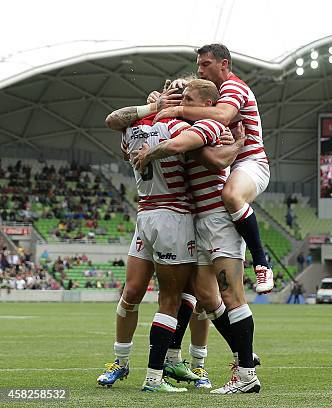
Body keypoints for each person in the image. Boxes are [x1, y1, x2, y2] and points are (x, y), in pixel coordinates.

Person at [136, 79, 261, 394]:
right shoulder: (187, 123)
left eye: (189, 99)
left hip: (218, 218)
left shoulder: (207, 124)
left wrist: (150, 152)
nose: (184, 103)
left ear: (206, 104)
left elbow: (212, 159)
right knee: (206, 297)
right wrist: (159, 102)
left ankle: (246, 374)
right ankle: (243, 353)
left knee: (232, 296)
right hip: (199, 220)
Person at [97, 82, 224, 392]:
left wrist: (154, 109)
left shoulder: (137, 128)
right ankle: (133, 365)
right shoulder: (180, 127)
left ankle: (192, 364)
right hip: (168, 216)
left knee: (186, 295)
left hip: (165, 216)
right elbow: (215, 158)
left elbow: (113, 120)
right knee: (153, 293)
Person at [153, 43, 273, 294]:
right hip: (227, 164)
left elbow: (223, 115)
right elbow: (183, 96)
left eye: (205, 64)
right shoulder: (210, 93)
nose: (200, 70)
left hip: (251, 162)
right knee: (202, 296)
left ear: (224, 64)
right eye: (198, 65)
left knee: (231, 195)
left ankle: (262, 263)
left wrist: (178, 109)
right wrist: (159, 101)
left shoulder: (233, 87)